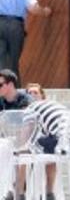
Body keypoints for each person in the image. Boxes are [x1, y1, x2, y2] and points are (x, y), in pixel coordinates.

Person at [0, 0, 52, 77]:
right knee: (13, 63)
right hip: (16, 26)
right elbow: (33, 8)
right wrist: (45, 12)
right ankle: (14, 91)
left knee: (1, 61)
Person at [0, 69, 35, 200]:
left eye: (0, 85)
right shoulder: (0, 102)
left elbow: (29, 125)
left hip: (27, 142)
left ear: (10, 85)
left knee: (21, 151)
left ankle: (18, 191)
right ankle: (8, 189)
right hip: (6, 142)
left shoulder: (26, 100)